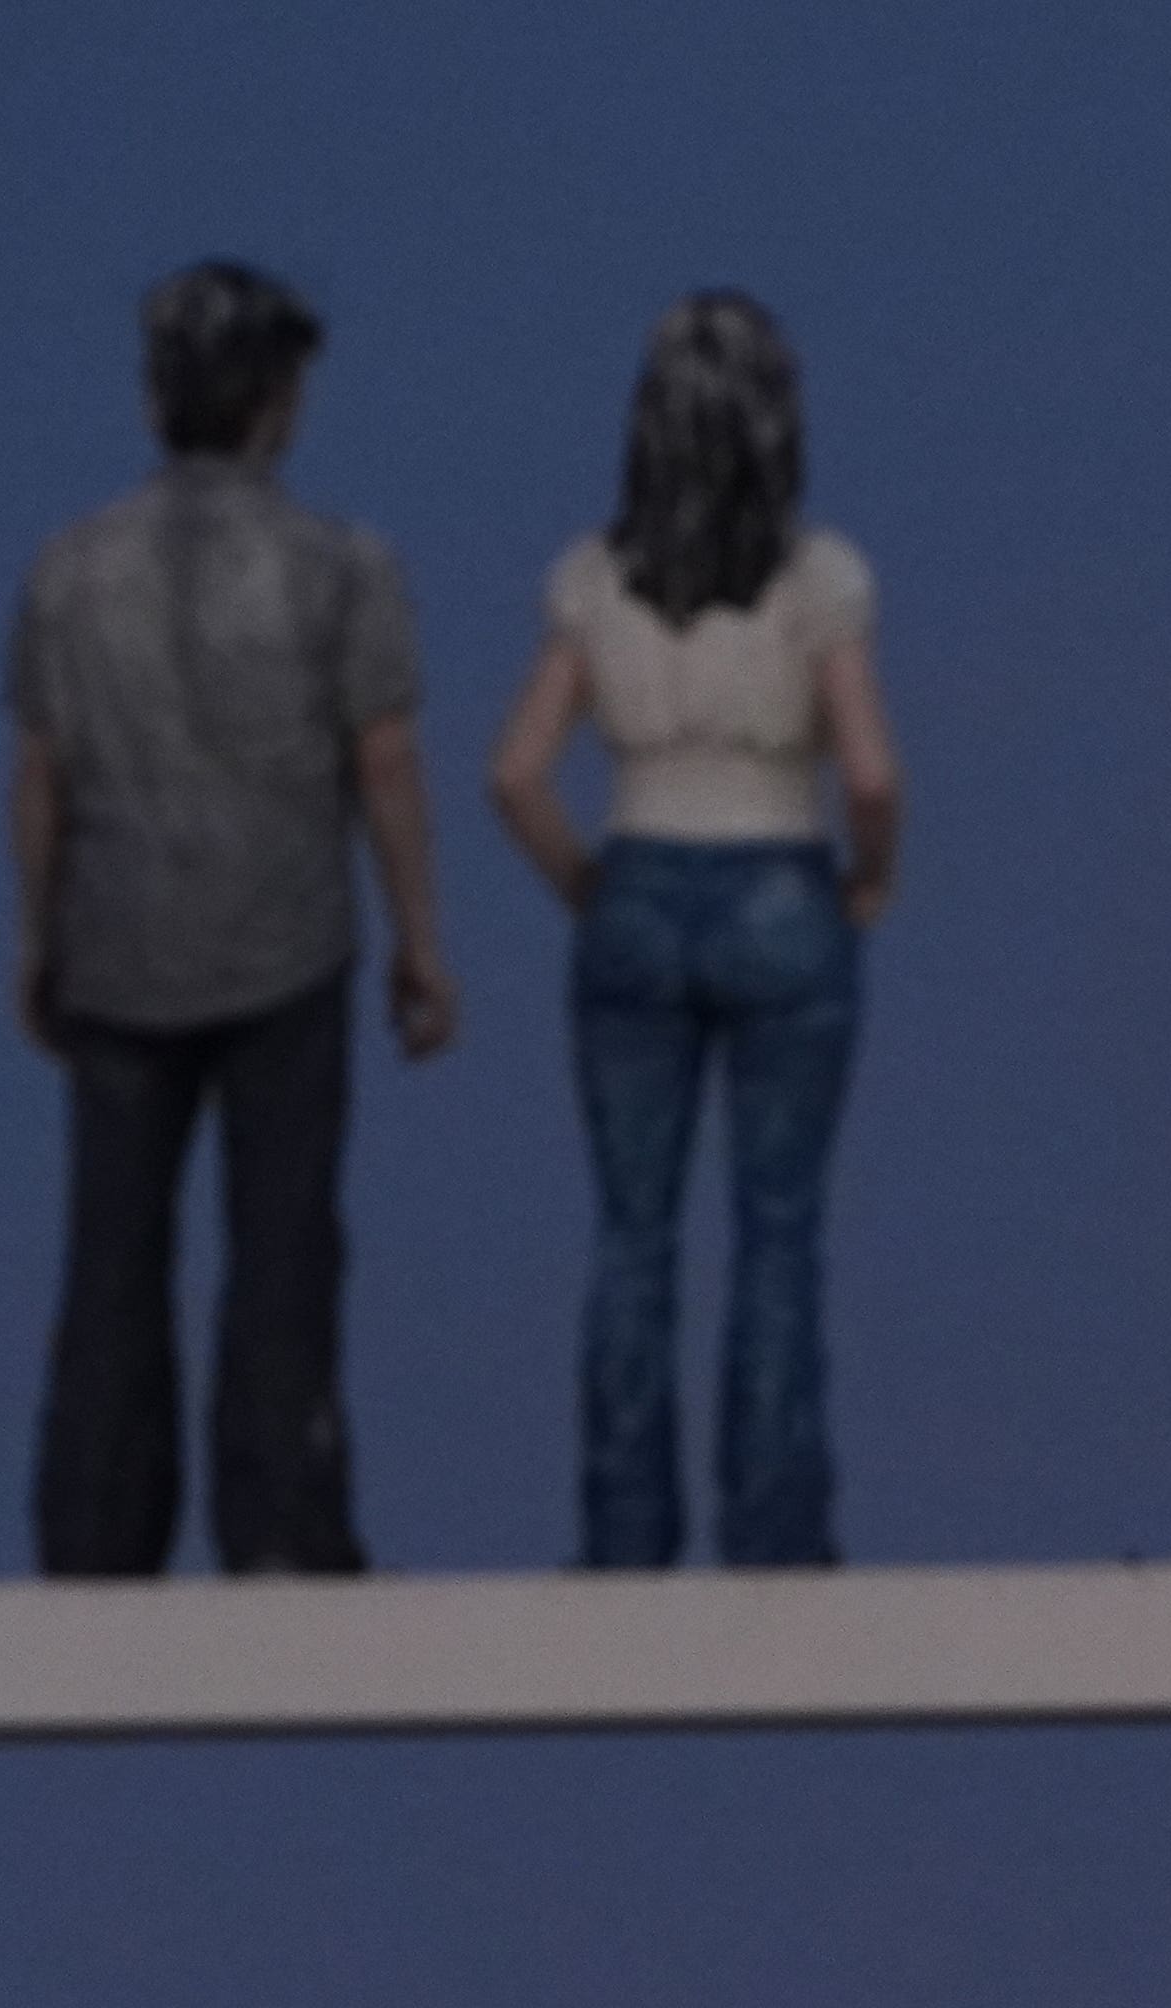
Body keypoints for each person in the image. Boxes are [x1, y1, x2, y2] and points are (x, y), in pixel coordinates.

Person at [8, 260, 458, 1579]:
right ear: (278, 402)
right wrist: (420, 937)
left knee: (110, 1255)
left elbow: (40, 777)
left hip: (119, 938)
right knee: (283, 1248)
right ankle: (280, 1522)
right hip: (288, 943)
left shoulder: (66, 569)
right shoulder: (345, 566)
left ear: (156, 404)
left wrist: (38, 937)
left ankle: (94, 1528)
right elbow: (384, 762)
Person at [487, 290, 903, 1571]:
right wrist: (870, 883)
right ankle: (775, 1530)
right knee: (776, 1228)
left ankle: (623, 1531)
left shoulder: (591, 580)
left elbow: (515, 772)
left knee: (633, 1231)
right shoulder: (817, 580)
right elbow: (873, 773)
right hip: (782, 880)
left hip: (637, 884)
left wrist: (586, 889)